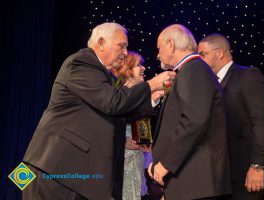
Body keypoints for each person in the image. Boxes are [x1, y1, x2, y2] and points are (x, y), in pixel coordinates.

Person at [22, 22, 175, 200]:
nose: (125, 52)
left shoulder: (106, 75)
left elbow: (119, 114)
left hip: (72, 177)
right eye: (122, 46)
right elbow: (111, 103)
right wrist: (152, 84)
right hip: (54, 170)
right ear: (101, 43)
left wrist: (153, 97)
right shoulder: (81, 62)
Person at [149, 24, 231, 200]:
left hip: (196, 181)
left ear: (171, 44)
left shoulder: (193, 69)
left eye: (159, 47)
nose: (157, 54)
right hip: (191, 180)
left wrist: (166, 164)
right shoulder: (191, 69)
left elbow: (194, 120)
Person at [198, 33, 264, 200]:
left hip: (244, 172)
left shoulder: (247, 76)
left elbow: (261, 121)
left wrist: (257, 166)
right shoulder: (208, 83)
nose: (199, 60)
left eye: (203, 54)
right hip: (218, 174)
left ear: (220, 53)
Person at [112, 51, 162, 200]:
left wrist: (146, 143)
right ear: (127, 70)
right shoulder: (117, 95)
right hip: (120, 166)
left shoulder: (140, 96)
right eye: (138, 65)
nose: (143, 68)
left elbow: (140, 124)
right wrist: (121, 141)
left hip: (137, 162)